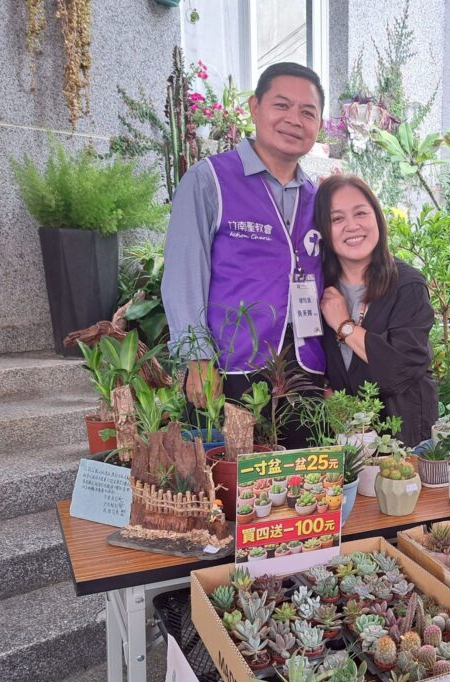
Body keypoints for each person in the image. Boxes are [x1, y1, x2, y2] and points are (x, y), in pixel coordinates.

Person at [161, 62, 327, 446]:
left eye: (308, 112)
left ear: (319, 124)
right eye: (281, 105)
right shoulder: (210, 180)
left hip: (304, 371)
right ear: (254, 107)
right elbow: (184, 275)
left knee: (304, 474)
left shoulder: (318, 198)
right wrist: (198, 359)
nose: (294, 120)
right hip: (230, 369)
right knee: (231, 477)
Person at [314, 174, 438, 447]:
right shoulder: (319, 288)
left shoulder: (407, 284)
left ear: (377, 218)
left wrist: (344, 325)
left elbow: (402, 367)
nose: (352, 226)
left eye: (361, 213)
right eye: (337, 218)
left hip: (403, 433)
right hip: (343, 435)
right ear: (323, 228)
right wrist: (334, 406)